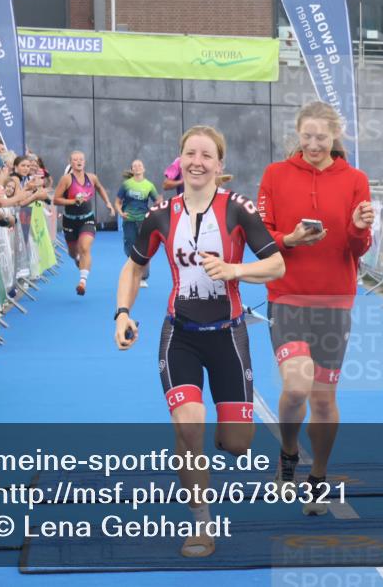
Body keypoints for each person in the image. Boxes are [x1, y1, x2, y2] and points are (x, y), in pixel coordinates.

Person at [114, 125, 285, 558]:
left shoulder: (237, 210)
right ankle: (201, 523)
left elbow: (277, 265)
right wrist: (122, 314)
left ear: (219, 165)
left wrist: (235, 271)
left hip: (228, 336)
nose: (197, 161)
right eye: (190, 153)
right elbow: (133, 268)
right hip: (180, 335)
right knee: (189, 427)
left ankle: (209, 443)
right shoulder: (160, 215)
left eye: (206, 155)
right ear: (180, 160)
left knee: (238, 444)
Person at [256, 101, 374, 515]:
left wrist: (360, 228)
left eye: (321, 137)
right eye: (306, 136)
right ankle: (288, 452)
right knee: (295, 386)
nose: (313, 144)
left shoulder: (356, 179)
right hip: (286, 295)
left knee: (323, 399)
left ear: (334, 137)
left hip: (335, 299)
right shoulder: (275, 175)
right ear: (297, 133)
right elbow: (263, 235)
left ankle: (319, 475)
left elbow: (360, 248)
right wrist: (289, 239)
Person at [53, 151, 115, 295]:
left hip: (87, 218)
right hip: (70, 220)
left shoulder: (92, 177)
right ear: (71, 163)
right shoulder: (66, 179)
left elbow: (99, 187)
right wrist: (73, 201)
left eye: (81, 159)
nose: (79, 161)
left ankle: (82, 282)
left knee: (85, 247)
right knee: (73, 253)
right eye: (75, 160)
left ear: (85, 162)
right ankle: (78, 259)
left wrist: (108, 203)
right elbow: (56, 199)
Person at [113, 159, 158, 287]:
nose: (137, 167)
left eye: (140, 165)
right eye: (135, 166)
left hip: (144, 221)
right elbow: (117, 202)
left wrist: (153, 214)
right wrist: (120, 213)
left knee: (144, 247)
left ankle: (143, 277)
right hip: (129, 221)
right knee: (130, 248)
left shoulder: (149, 185)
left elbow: (157, 202)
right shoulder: (126, 185)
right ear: (132, 170)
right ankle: (133, 273)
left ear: (143, 169)